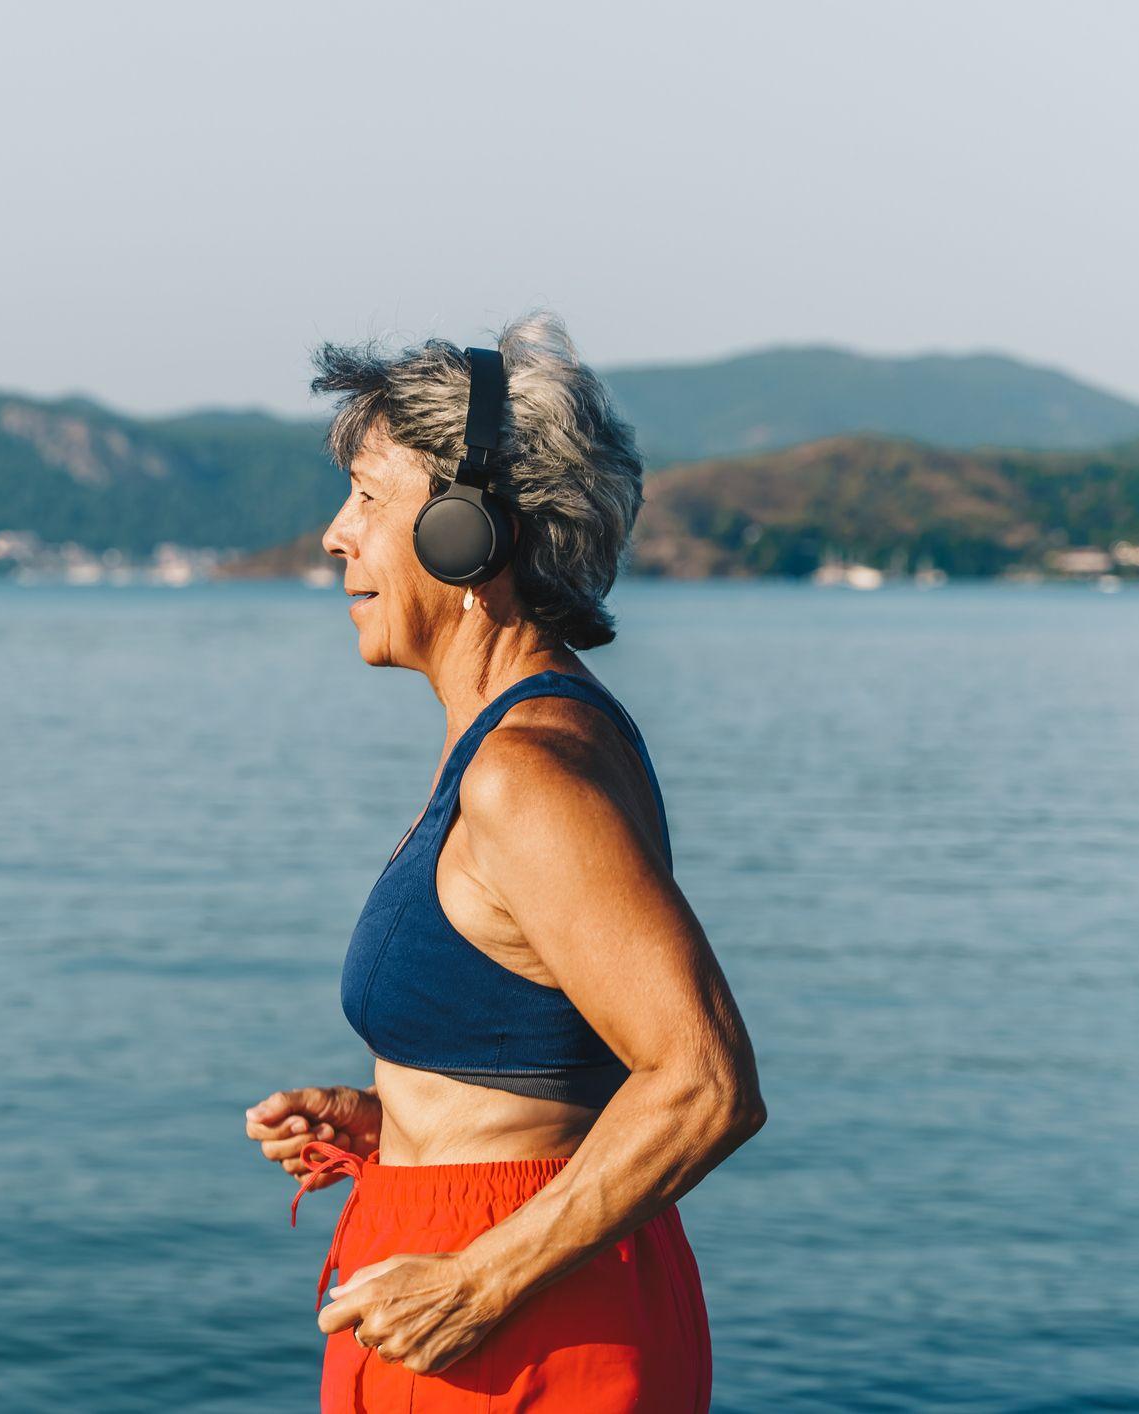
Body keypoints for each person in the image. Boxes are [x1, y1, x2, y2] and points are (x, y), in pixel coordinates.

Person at [244, 311, 765, 1412]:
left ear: (467, 535)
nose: (336, 535)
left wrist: (481, 1281)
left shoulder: (525, 772)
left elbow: (706, 1083)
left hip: (524, 1332)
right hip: (468, 1280)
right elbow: (551, 1055)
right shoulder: (508, 738)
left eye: (370, 500)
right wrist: (398, 1122)